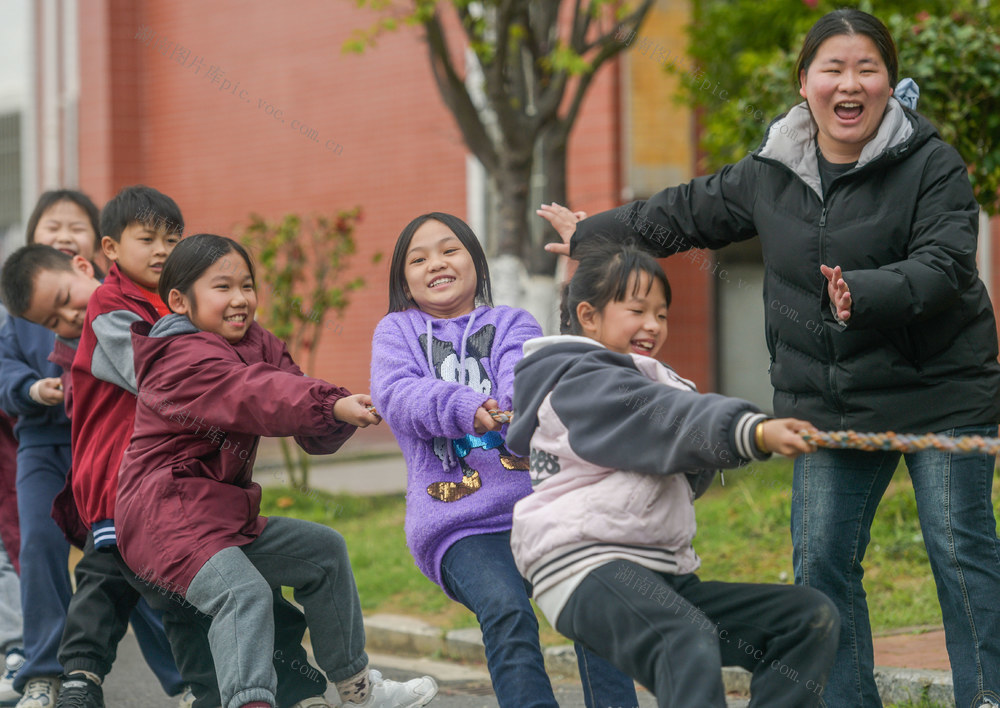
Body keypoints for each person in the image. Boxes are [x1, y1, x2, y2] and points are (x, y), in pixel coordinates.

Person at [541, 9, 1000, 707]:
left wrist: (861, 294)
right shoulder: (773, 170)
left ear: (890, 83)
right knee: (820, 562)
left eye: (867, 69)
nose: (851, 84)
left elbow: (944, 266)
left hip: (943, 392)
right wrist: (594, 234)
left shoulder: (931, 166)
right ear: (805, 82)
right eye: (833, 69)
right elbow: (685, 212)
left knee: (960, 555)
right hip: (829, 401)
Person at [506, 237, 838, 707]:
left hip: (660, 574)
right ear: (588, 317)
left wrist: (732, 440)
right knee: (685, 640)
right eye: (637, 310)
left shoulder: (648, 380)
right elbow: (656, 415)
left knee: (805, 619)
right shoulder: (577, 380)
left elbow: (676, 443)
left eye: (661, 314)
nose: (653, 325)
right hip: (586, 566)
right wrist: (750, 431)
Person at [1, 243, 333, 708]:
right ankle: (98, 677)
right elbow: (170, 386)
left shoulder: (156, 308)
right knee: (142, 594)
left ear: (87, 261)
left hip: (190, 496)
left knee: (224, 598)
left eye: (63, 299)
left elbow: (210, 382)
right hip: (132, 499)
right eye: (53, 320)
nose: (68, 317)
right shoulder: (107, 326)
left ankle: (283, 690)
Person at [115, 233, 438, 708]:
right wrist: (329, 406)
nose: (241, 300)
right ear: (180, 300)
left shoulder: (257, 341)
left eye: (247, 285)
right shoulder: (177, 357)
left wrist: (339, 410)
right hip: (165, 520)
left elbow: (291, 389)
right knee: (243, 595)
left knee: (323, 551)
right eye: (223, 288)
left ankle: (358, 690)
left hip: (220, 518)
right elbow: (255, 392)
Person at [369, 212, 639, 708]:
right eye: (418, 257)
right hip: (458, 524)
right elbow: (398, 395)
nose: (436, 263)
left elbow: (527, 375)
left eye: (449, 250)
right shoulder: (395, 333)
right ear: (402, 279)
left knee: (595, 600)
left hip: (540, 508)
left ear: (476, 260)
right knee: (506, 608)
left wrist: (511, 408)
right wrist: (464, 407)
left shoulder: (514, 322)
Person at [0, 189, 186, 708]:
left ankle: (180, 678)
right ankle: (47, 670)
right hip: (43, 443)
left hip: (108, 458)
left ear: (95, 250)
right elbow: (6, 370)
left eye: (73, 227)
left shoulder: (117, 303)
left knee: (128, 560)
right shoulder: (21, 309)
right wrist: (31, 390)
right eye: (49, 227)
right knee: (44, 548)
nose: (60, 235)